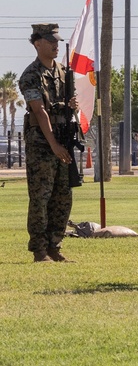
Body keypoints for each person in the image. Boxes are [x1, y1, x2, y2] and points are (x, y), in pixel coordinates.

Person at [19, 23, 79, 263]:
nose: (56, 45)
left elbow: (68, 106)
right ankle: (40, 250)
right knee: (41, 196)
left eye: (57, 41)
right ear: (37, 44)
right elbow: (40, 111)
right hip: (41, 143)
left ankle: (55, 245)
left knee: (63, 196)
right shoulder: (30, 76)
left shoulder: (64, 72)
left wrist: (72, 106)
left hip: (63, 136)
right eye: (50, 41)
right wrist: (53, 144)